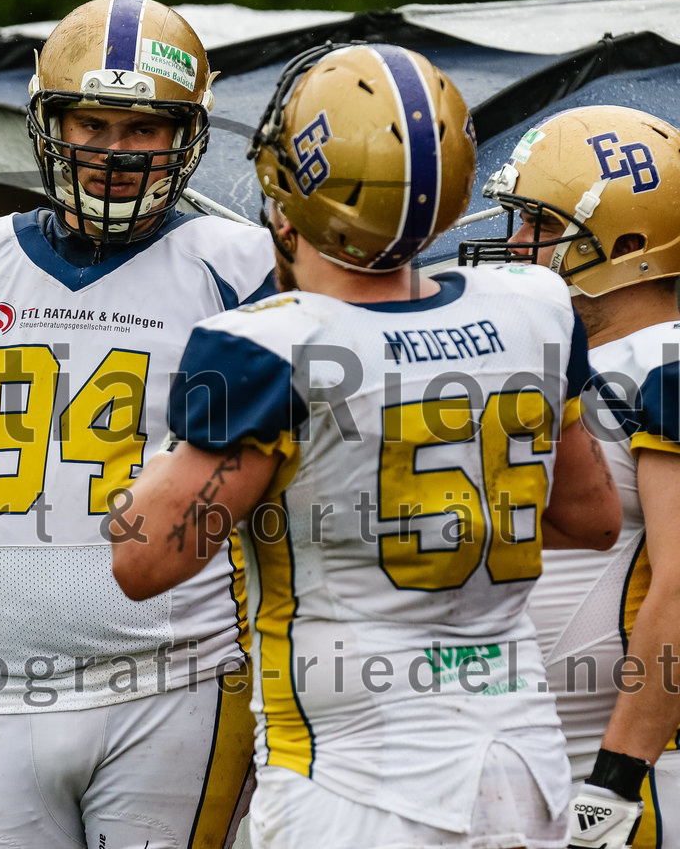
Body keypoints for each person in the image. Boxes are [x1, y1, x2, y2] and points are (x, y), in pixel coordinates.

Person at [112, 42, 622, 849]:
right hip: (521, 768)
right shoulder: (534, 305)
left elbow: (143, 563)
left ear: (294, 191)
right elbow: (592, 516)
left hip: (352, 784)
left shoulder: (271, 348)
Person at [0, 0, 274, 848]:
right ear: (47, 122)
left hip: (176, 688)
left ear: (189, 137)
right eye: (91, 121)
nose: (113, 152)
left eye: (143, 129)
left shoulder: (239, 272)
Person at [461, 104, 680, 849]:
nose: (516, 245)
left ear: (623, 242)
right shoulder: (567, 362)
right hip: (539, 762)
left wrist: (619, 776)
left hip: (637, 773)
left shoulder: (663, 366)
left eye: (540, 227)